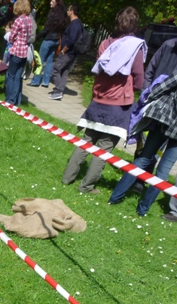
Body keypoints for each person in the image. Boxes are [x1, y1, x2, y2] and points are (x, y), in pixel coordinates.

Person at [61, 6, 145, 195]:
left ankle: (67, 177)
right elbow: (139, 77)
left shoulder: (105, 44)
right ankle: (87, 186)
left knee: (86, 141)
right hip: (118, 106)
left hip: (98, 100)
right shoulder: (135, 49)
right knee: (104, 148)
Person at [108, 71, 177, 218]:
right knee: (164, 171)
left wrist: (150, 97)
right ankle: (143, 210)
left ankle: (115, 198)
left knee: (143, 159)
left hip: (166, 121)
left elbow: (165, 85)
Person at [28, 0, 67, 88]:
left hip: (48, 39)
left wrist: (36, 38)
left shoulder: (52, 14)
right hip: (56, 40)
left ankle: (35, 81)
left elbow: (46, 30)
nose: (50, 2)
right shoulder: (62, 15)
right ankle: (45, 82)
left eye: (52, 1)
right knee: (49, 61)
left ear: (56, 2)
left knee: (40, 60)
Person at [48, 3, 82, 100]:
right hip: (71, 53)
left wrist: (63, 50)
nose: (67, 11)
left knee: (55, 70)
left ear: (72, 12)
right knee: (63, 71)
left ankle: (58, 90)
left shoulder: (75, 24)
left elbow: (72, 40)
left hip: (68, 53)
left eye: (68, 10)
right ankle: (59, 91)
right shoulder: (76, 23)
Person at [4, 0, 33, 106]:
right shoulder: (29, 20)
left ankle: (8, 100)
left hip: (16, 52)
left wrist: (10, 35)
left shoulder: (18, 20)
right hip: (25, 52)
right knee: (17, 77)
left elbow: (11, 37)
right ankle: (15, 101)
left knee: (10, 76)